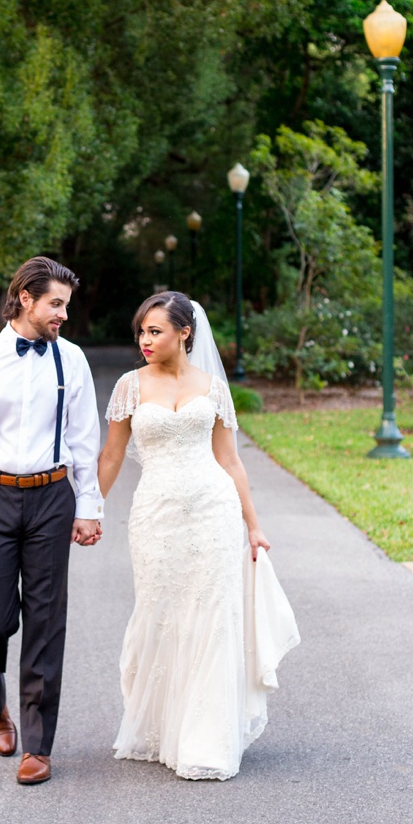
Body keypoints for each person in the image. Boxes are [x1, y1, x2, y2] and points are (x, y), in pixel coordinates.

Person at [97, 291, 299, 781]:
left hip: (214, 512)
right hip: (155, 517)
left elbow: (230, 460)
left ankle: (206, 739)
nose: (145, 341)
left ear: (184, 333)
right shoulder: (129, 386)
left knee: (212, 618)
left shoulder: (213, 388)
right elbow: (111, 456)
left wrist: (254, 525)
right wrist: (90, 510)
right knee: (160, 613)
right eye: (141, 332)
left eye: (155, 331)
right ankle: (163, 728)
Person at [0, 256, 103, 786]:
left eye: (66, 306)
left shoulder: (71, 360)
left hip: (52, 496)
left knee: (46, 619)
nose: (63, 316)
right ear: (26, 298)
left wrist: (88, 506)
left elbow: (83, 441)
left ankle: (38, 743)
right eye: (56, 304)